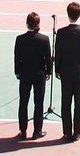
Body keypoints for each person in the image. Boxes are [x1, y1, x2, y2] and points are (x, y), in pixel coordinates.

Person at [54, 1, 80, 142]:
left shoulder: (61, 32)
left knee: (66, 103)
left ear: (68, 14)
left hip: (65, 72)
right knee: (79, 103)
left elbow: (58, 53)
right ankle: (77, 132)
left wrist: (57, 69)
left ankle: (66, 132)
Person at [14, 10, 53, 140]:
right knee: (39, 103)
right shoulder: (44, 39)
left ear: (27, 24)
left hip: (25, 74)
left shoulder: (20, 39)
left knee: (23, 102)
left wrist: (17, 72)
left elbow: (17, 58)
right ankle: (37, 131)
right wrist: (48, 72)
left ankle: (23, 131)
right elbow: (48, 58)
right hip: (39, 74)